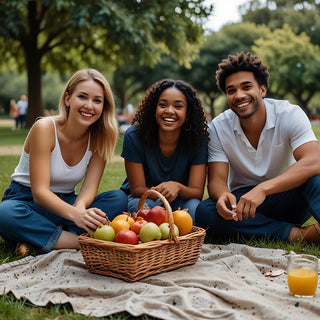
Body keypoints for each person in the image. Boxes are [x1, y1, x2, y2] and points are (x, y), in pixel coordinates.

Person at [0, 68, 128, 256]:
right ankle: (81, 241)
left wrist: (80, 209)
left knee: (118, 199)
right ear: (68, 99)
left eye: (97, 100)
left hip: (67, 202)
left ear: (103, 107)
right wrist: (76, 216)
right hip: (26, 201)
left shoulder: (101, 138)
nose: (89, 106)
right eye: (82, 97)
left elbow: (89, 189)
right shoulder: (45, 128)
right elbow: (40, 193)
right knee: (5, 213)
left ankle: (39, 238)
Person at [196, 52, 320, 242]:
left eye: (247, 87)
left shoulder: (289, 114)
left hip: (290, 195)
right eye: (231, 91)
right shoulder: (219, 127)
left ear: (262, 89)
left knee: (316, 179)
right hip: (245, 208)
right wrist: (222, 195)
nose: (239, 95)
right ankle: (296, 235)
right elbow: (216, 180)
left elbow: (314, 160)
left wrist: (263, 189)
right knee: (205, 211)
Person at [120, 79, 208, 222]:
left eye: (178, 106)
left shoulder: (198, 140)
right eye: (162, 105)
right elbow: (137, 189)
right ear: (154, 109)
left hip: (181, 200)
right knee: (146, 211)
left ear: (187, 115)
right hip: (145, 197)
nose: (169, 111)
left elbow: (196, 192)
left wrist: (177, 187)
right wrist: (160, 193)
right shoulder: (133, 136)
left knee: (194, 209)